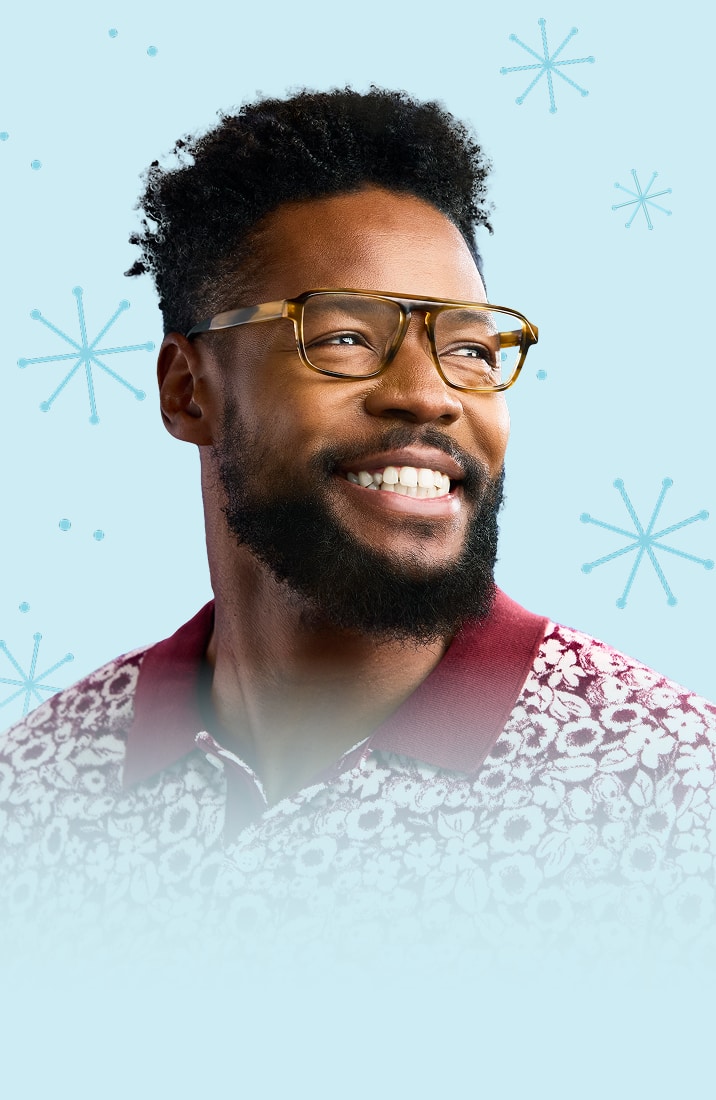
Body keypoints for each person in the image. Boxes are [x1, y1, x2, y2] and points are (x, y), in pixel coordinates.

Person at [2, 87, 715, 960]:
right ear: (187, 389)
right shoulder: (36, 787)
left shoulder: (672, 795)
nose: (429, 393)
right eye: (342, 336)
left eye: (470, 348)